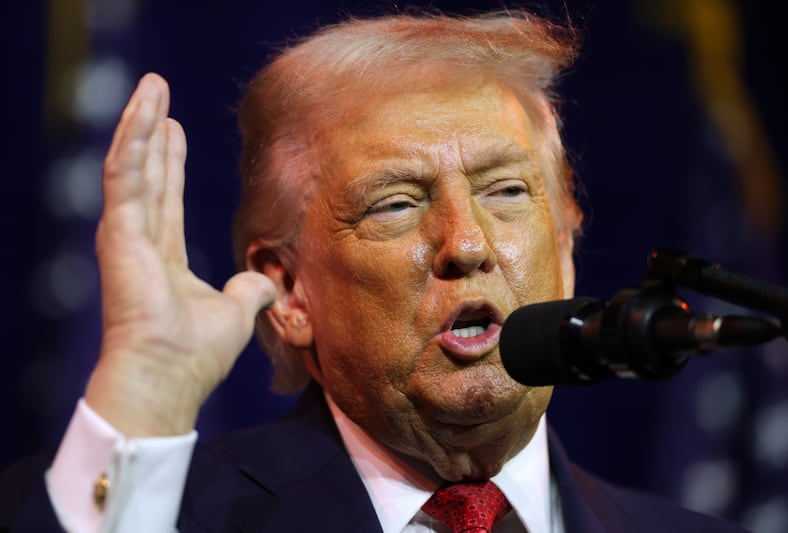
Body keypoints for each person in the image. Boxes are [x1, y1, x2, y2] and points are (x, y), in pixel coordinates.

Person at [1, 10, 750, 532]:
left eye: (507, 191)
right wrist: (146, 391)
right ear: (290, 291)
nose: (466, 242)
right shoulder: (153, 516)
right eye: (395, 204)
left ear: (566, 245)